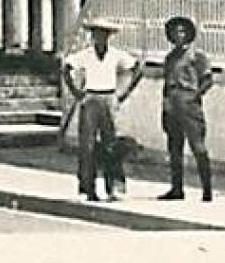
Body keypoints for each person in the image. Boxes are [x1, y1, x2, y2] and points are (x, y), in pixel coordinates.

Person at [61, 19, 140, 201]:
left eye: (103, 34)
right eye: (96, 33)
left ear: (108, 36)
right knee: (87, 146)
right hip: (91, 97)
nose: (100, 37)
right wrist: (76, 92)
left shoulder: (115, 54)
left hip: (109, 97)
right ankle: (87, 188)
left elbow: (137, 68)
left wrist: (123, 93)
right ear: (92, 36)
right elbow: (67, 68)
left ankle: (114, 187)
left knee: (111, 145)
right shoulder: (85, 55)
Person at [157, 14, 214, 202]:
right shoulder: (170, 58)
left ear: (188, 34)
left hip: (188, 101)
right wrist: (165, 106)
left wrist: (195, 96)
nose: (178, 35)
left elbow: (208, 80)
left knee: (198, 146)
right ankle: (176, 188)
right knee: (174, 147)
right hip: (172, 102)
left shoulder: (196, 56)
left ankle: (207, 189)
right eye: (175, 32)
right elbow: (166, 84)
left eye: (182, 31)